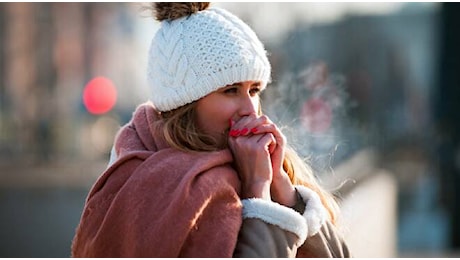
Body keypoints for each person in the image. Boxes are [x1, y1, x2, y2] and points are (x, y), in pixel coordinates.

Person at [71, 2, 351, 258]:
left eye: (254, 90)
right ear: (186, 105)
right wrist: (257, 193)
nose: (251, 110)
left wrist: (282, 186)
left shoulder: (267, 165)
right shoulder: (148, 182)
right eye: (230, 90)